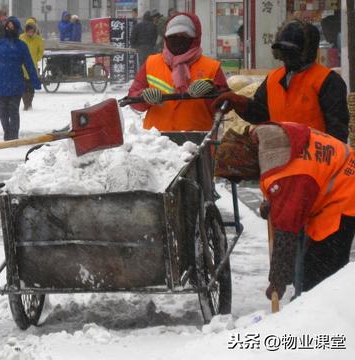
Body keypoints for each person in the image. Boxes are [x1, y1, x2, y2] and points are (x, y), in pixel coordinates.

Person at [215, 122, 355, 299]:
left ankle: (324, 318)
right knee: (313, 273)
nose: (248, 179)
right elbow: (295, 184)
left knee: (320, 278)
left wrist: (278, 280)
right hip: (339, 184)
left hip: (345, 196)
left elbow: (286, 232)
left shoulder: (284, 173)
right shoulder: (268, 138)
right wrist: (276, 202)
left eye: (245, 176)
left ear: (245, 162)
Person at [212, 20, 349, 142]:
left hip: (315, 162)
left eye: (292, 51)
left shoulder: (328, 81)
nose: (287, 56)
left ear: (307, 51)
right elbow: (261, 114)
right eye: (283, 50)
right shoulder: (274, 78)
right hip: (278, 158)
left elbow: (337, 133)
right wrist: (238, 102)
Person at [125, 12, 229, 131]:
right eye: (173, 36)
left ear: (194, 39)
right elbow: (132, 99)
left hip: (198, 139)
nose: (177, 40)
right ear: (166, 38)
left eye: (183, 36)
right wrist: (142, 96)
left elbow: (224, 105)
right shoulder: (151, 63)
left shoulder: (211, 67)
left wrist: (211, 91)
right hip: (158, 142)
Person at [0, 17, 41, 140]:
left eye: (12, 27)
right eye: (8, 27)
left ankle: (13, 135)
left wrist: (35, 80)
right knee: (2, 112)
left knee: (13, 111)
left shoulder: (21, 45)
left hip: (15, 83)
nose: (10, 29)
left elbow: (29, 64)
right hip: (3, 82)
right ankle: (7, 132)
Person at [19, 22, 44, 110]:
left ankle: (29, 102)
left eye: (32, 31)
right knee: (24, 86)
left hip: (32, 65)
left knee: (31, 86)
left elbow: (41, 51)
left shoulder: (38, 39)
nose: (30, 32)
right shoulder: (21, 38)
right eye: (29, 31)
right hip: (22, 66)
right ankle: (26, 103)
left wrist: (36, 58)